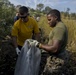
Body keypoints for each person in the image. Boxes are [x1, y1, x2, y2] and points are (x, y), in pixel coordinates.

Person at [31, 9, 69, 75]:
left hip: (57, 60)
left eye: (49, 19)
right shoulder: (60, 26)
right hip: (55, 58)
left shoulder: (59, 28)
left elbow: (54, 49)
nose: (48, 22)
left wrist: (39, 45)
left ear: (55, 17)